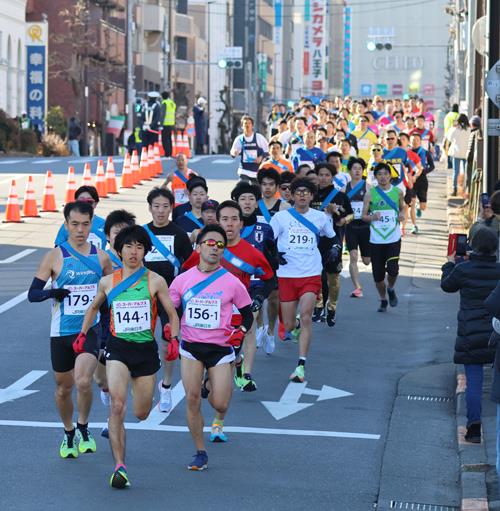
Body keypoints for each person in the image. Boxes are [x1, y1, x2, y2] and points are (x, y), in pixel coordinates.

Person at [79, 225, 180, 487]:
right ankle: (119, 467)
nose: (134, 252)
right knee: (117, 406)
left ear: (145, 251)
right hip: (118, 349)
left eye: (139, 247)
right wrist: (82, 334)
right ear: (119, 250)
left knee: (142, 412)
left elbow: (172, 313)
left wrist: (173, 338)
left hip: (145, 351)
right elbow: (92, 308)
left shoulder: (155, 280)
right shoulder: (108, 281)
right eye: (128, 247)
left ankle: (144, 391)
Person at [28, 201, 113, 458]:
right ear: (66, 225)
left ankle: (84, 427)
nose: (80, 230)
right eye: (74, 224)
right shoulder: (54, 256)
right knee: (63, 388)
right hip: (61, 332)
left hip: (89, 330)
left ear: (92, 225)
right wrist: (53, 292)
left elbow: (109, 299)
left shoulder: (101, 258)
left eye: (85, 224)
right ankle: (68, 432)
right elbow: (33, 294)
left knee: (84, 381)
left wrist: (108, 334)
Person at [169, 225, 253, 470]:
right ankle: (200, 451)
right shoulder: (182, 280)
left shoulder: (232, 282)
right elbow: (172, 310)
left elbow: (247, 314)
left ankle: (210, 384)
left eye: (220, 245)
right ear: (198, 247)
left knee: (220, 404)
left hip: (220, 348)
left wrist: (242, 332)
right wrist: (171, 331)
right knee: (192, 399)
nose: (215, 248)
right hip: (191, 347)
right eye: (210, 243)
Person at [270, 178, 336, 381]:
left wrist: (335, 248)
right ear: (291, 194)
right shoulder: (280, 218)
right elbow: (268, 241)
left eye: (306, 192)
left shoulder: (320, 217)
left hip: (310, 273)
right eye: (298, 191)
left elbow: (332, 236)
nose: (302, 195)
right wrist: (275, 256)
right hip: (287, 274)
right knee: (289, 325)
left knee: (306, 316)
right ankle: (295, 326)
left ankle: (300, 366)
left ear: (312, 196)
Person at [441, 228, 500, 443]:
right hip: (497, 333)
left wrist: (449, 262)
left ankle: (474, 428)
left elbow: (447, 285)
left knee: (473, 382)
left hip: (470, 333)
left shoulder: (463, 269)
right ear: (495, 248)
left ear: (472, 246)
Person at [143, 188, 193, 412]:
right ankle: (144, 381)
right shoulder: (141, 233)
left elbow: (191, 264)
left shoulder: (179, 234)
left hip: (170, 296)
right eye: (156, 206)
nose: (161, 211)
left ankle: (166, 385)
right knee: (143, 340)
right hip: (143, 295)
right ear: (150, 208)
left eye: (165, 206)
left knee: (168, 340)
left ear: (171, 208)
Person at [232, 181, 279, 356]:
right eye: (243, 199)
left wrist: (275, 260)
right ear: (236, 201)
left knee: (268, 304)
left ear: (256, 202)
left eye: (251, 199)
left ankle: (270, 332)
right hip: (234, 284)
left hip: (258, 283)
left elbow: (271, 255)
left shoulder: (265, 229)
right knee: (242, 324)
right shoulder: (228, 228)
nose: (247, 202)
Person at [362, 162, 405, 312]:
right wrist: (372, 217)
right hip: (376, 239)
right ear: (375, 177)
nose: (383, 177)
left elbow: (402, 207)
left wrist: (401, 215)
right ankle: (383, 299)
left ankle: (391, 288)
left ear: (390, 176)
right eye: (379, 174)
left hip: (393, 237)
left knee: (393, 269)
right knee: (378, 275)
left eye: (386, 174)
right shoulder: (370, 194)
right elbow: (363, 216)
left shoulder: (398, 192)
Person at [344, 158, 371, 297]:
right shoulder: (344, 189)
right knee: (353, 256)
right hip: (351, 226)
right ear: (349, 171)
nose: (357, 171)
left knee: (367, 261)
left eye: (360, 169)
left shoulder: (368, 187)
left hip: (365, 226)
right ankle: (357, 288)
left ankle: (370, 256)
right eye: (354, 168)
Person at [230, 115, 268, 182]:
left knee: (256, 190)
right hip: (243, 171)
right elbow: (233, 152)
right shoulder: (239, 139)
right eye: (245, 123)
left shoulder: (259, 137)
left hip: (256, 172)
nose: (247, 125)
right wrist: (234, 153)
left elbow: (268, 151)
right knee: (241, 187)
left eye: (249, 123)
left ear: (252, 126)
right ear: (242, 126)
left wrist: (261, 157)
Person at [445, 113, 470, 197]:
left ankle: (455, 189)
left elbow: (449, 138)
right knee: (466, 172)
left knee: (456, 172)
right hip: (466, 153)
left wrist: (453, 127)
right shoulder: (469, 129)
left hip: (456, 153)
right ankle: (466, 190)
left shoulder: (455, 129)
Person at [160, 91, 176, 157]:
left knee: (164, 139)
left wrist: (161, 124)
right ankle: (170, 152)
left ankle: (167, 153)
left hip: (165, 124)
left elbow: (162, 114)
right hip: (171, 123)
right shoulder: (172, 103)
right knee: (169, 139)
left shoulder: (164, 103)